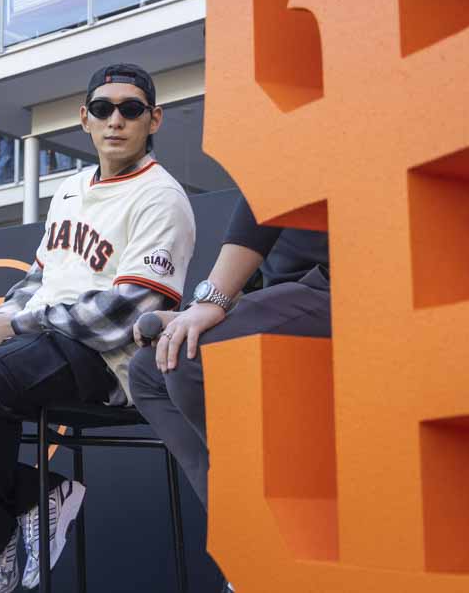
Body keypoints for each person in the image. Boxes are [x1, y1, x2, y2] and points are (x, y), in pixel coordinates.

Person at [0, 63, 195, 593]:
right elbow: (39, 278)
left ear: (153, 119)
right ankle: (34, 494)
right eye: (102, 109)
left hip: (107, 363)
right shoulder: (70, 188)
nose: (115, 120)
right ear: (84, 118)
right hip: (41, 346)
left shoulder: (163, 197)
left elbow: (128, 312)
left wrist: (17, 325)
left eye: (131, 109)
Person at [128, 196, 329, 593]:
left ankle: (268, 551)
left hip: (349, 283)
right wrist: (195, 312)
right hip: (288, 295)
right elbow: (263, 254)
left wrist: (211, 301)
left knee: (192, 359)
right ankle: (250, 544)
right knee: (150, 371)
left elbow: (267, 191)